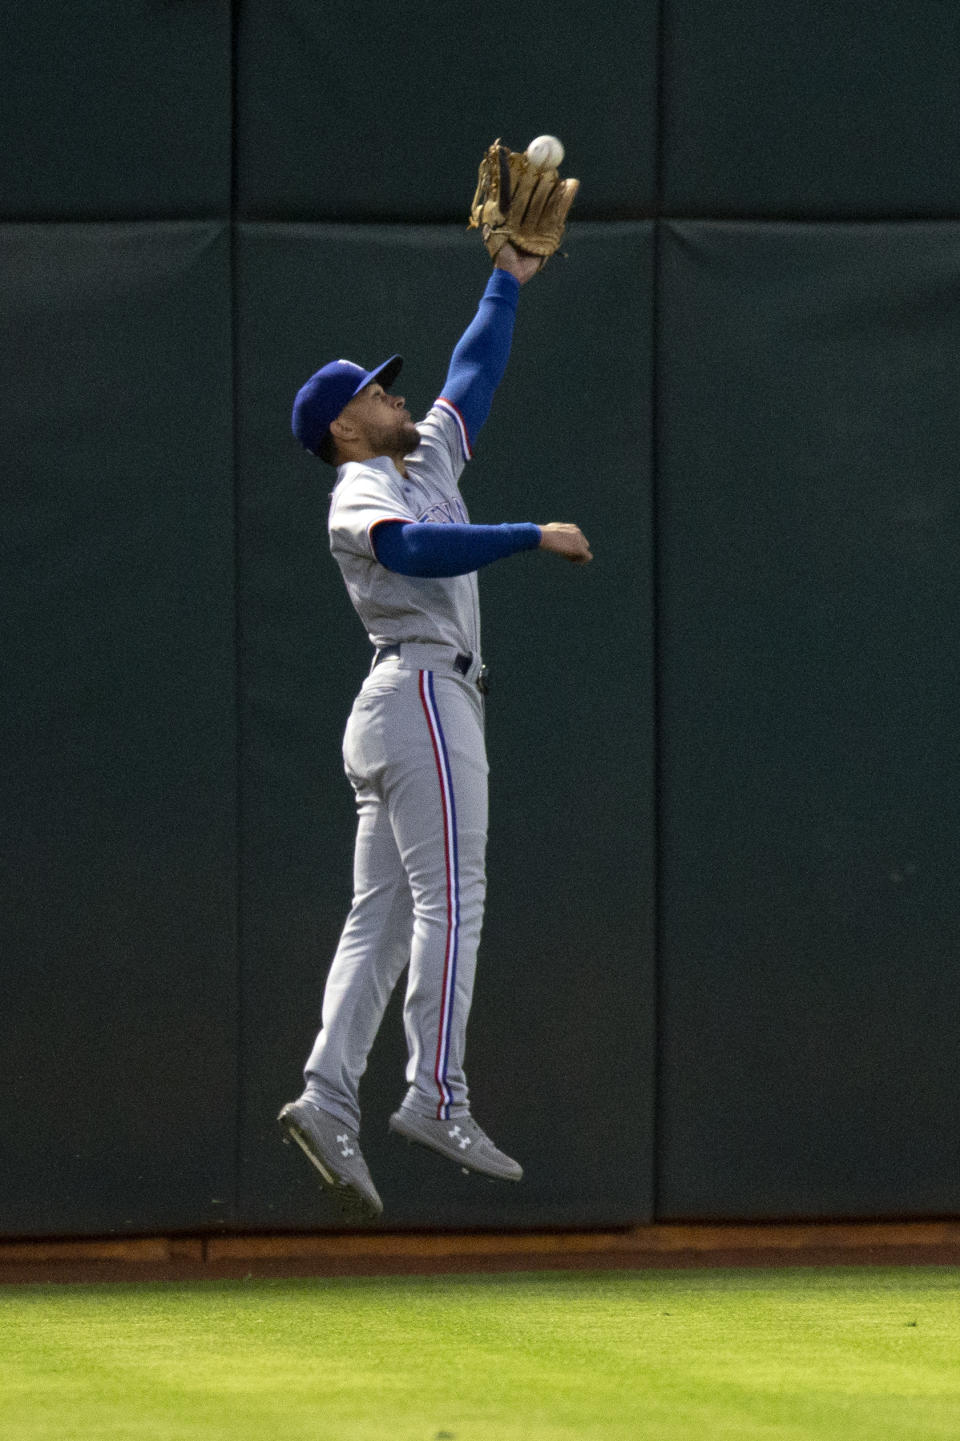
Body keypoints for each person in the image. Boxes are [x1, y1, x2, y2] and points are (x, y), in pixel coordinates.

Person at [279, 241, 592, 1219]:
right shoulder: (360, 489)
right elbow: (411, 550)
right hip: (421, 690)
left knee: (378, 919)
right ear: (345, 424)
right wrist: (524, 535)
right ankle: (436, 1093)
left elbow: (474, 370)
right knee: (451, 897)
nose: (393, 396)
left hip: (402, 702)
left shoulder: (424, 455)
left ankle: (329, 1097)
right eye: (374, 393)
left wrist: (508, 275)